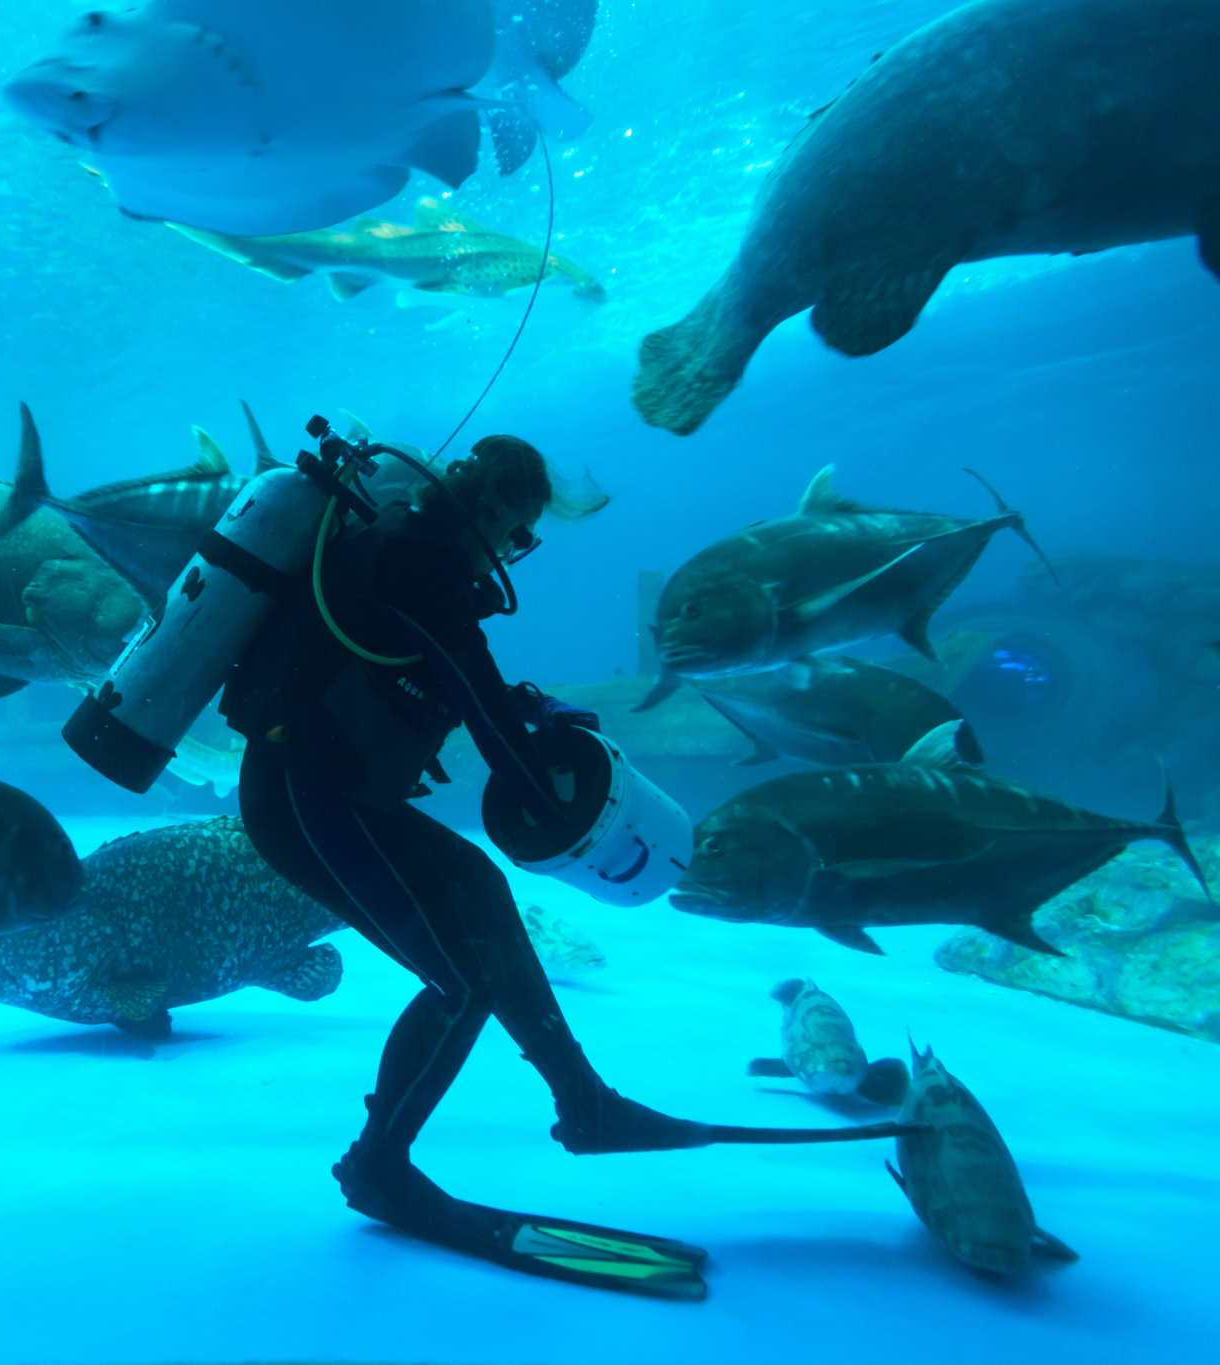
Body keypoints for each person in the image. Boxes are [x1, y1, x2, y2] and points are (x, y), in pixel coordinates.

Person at [220, 433, 901, 1300]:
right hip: (307, 800)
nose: (510, 551)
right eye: (518, 531)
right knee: (459, 982)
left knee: (480, 887)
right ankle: (379, 1166)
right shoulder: (422, 566)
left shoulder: (410, 550)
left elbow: (456, 681)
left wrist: (532, 711)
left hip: (334, 789)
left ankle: (584, 1101)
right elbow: (482, 713)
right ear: (496, 510)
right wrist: (550, 777)